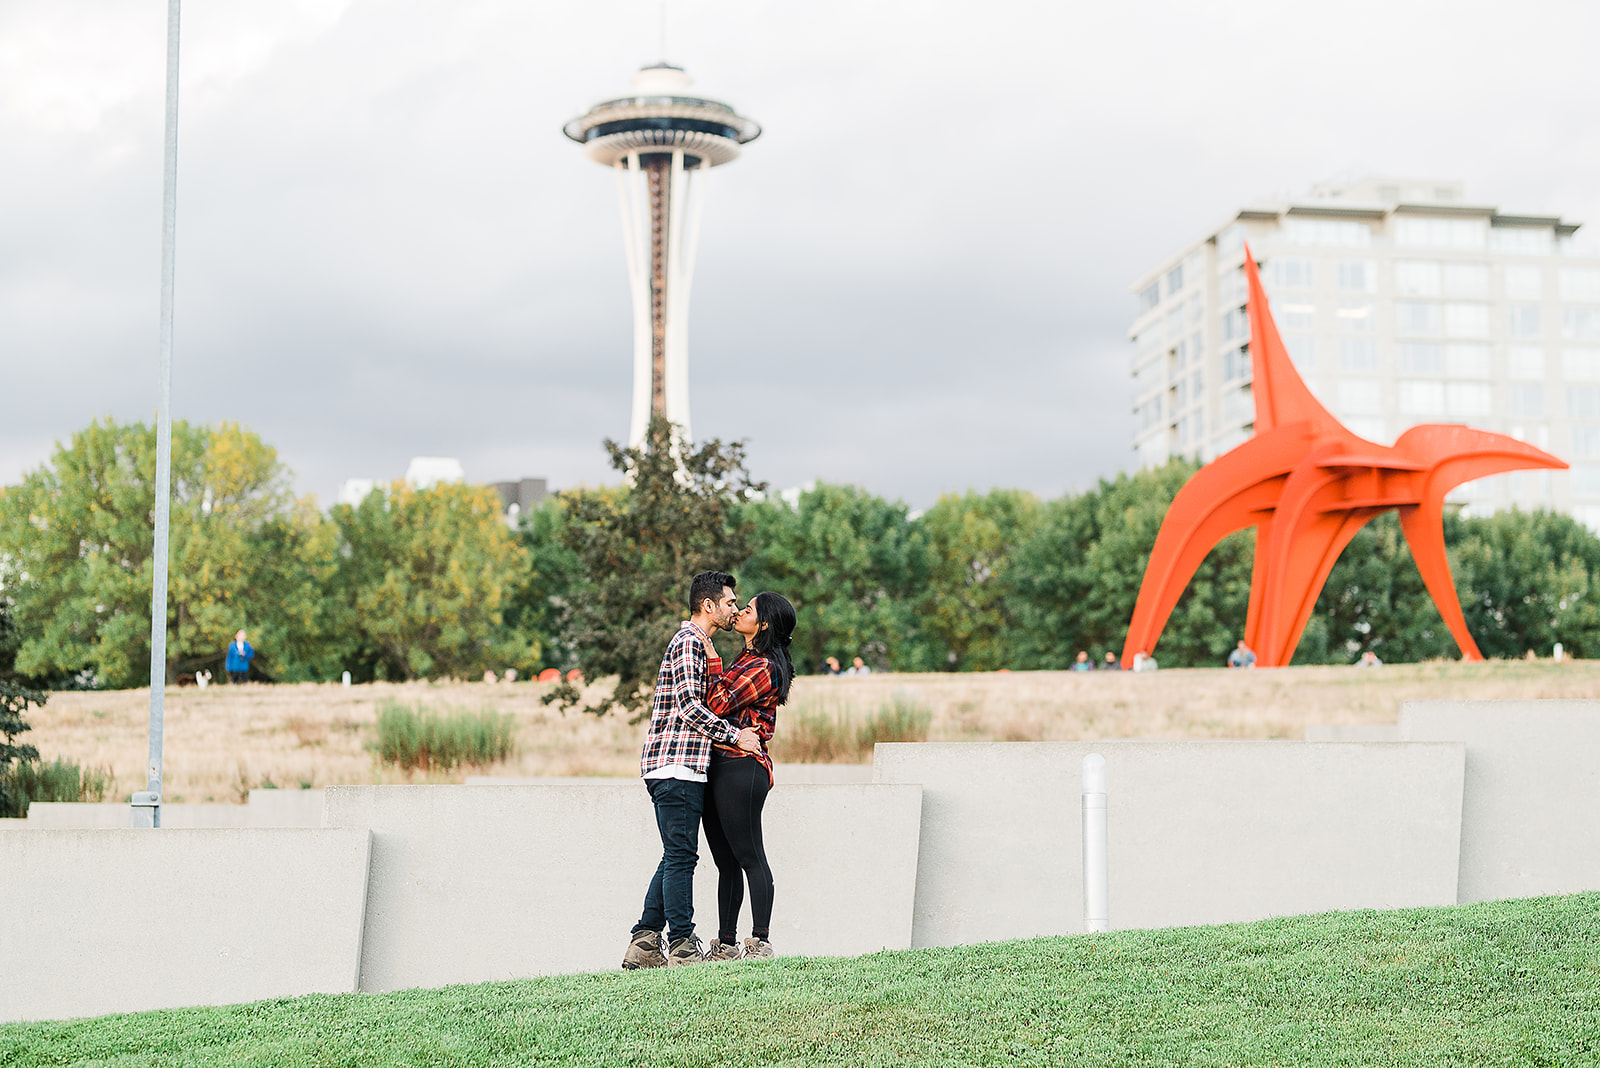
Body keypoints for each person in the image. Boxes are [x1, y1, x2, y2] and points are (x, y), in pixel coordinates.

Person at [622, 571, 762, 971]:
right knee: (682, 855)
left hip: (686, 765)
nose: (735, 609)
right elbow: (688, 707)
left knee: (675, 854)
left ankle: (645, 941)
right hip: (675, 763)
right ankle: (682, 944)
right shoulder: (688, 643)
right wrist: (736, 737)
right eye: (730, 602)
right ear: (709, 605)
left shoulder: (702, 645)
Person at [695, 591, 796, 961]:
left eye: (748, 609)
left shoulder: (765, 666)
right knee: (725, 861)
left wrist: (710, 657)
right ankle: (725, 943)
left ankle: (760, 940)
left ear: (764, 623)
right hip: (719, 762)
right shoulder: (748, 658)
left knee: (750, 854)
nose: (739, 612)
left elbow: (717, 703)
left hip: (742, 766)